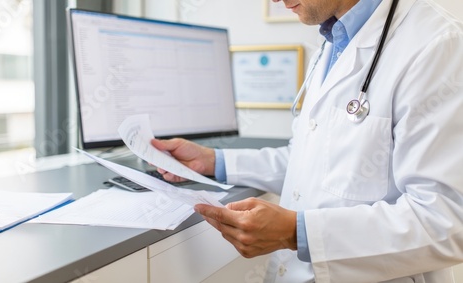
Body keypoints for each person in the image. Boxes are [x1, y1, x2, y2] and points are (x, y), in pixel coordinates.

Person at [151, 0, 463, 281]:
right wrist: (213, 161)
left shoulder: (437, 44)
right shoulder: (334, 40)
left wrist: (297, 233)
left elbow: (446, 221)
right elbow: (310, 159)